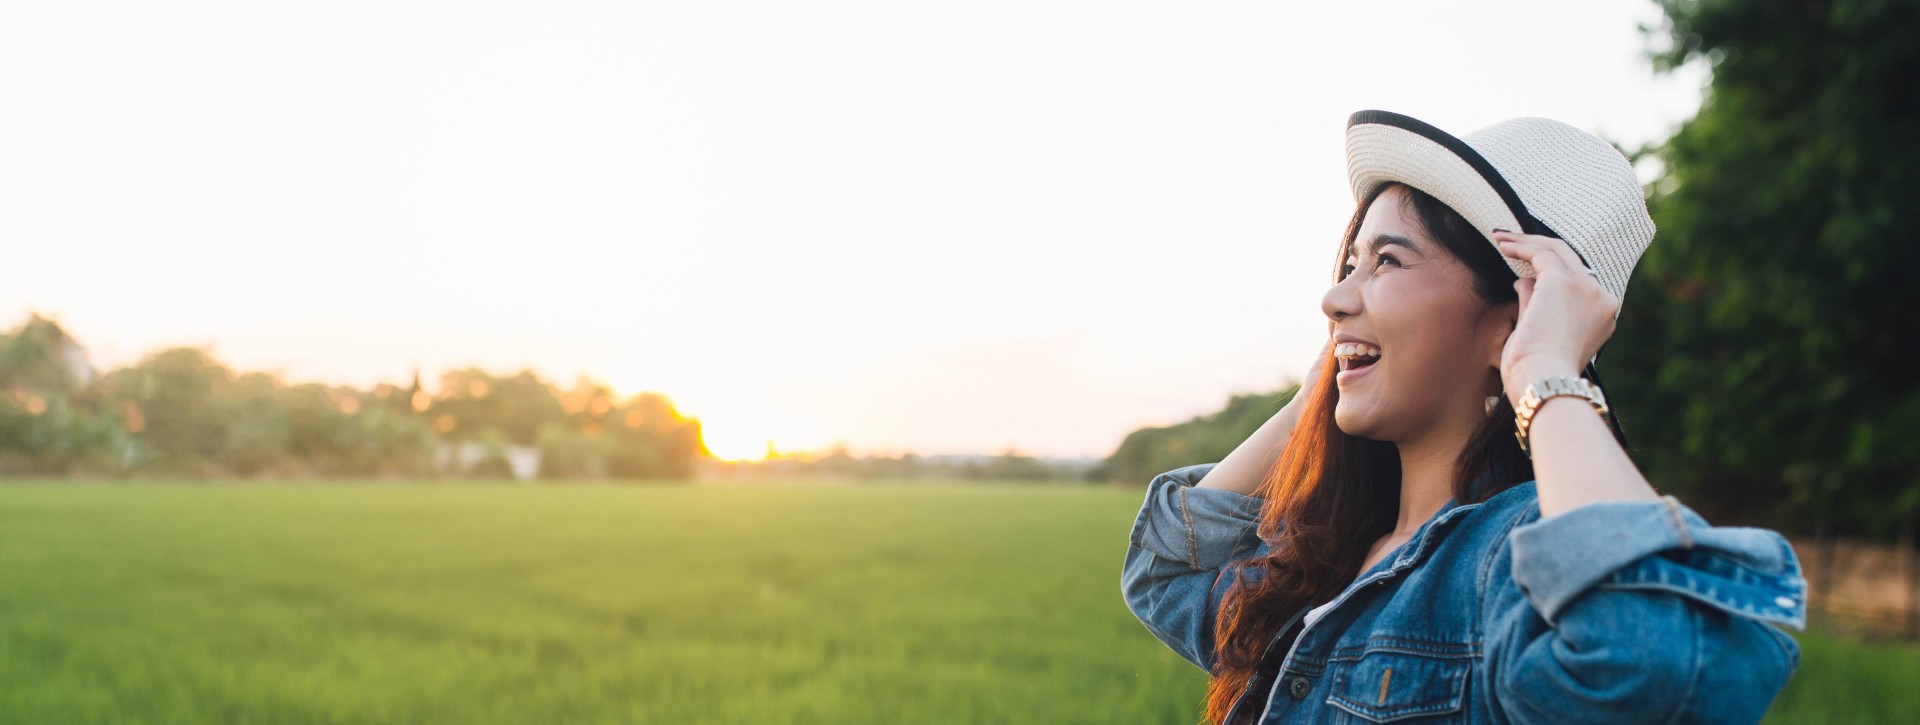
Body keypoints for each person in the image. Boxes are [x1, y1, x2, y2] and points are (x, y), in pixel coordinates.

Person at [1120, 110, 1807, 725]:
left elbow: (1660, 665)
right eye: (1351, 262)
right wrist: (1314, 397)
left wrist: (1544, 367)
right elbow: (1165, 571)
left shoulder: (1506, 561)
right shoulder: (1324, 556)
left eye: (1385, 260)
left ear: (1510, 318)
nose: (1333, 297)